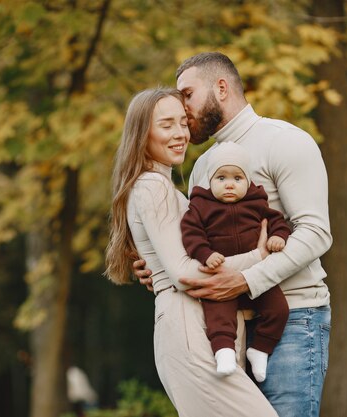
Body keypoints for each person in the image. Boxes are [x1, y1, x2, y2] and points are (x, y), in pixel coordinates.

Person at [133, 52, 333, 417]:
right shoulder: (201, 170)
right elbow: (194, 247)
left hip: (292, 320)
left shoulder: (285, 141)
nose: (183, 107)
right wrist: (157, 265)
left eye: (188, 94)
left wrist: (245, 280)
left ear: (221, 88)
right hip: (228, 328)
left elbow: (316, 233)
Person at [105, 87, 278, 416]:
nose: (180, 133)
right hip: (189, 325)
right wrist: (257, 257)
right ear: (143, 133)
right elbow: (183, 274)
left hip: (201, 325)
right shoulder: (153, 186)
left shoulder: (160, 187)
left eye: (182, 123)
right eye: (166, 124)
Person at [181, 141, 290, 383]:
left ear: (248, 181)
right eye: (221, 178)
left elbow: (278, 222)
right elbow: (190, 234)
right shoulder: (200, 206)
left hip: (255, 278)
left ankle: (260, 350)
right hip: (220, 276)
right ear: (209, 181)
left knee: (279, 310)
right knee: (219, 318)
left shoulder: (257, 203)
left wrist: (277, 237)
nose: (229, 184)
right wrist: (205, 253)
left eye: (237, 178)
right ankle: (224, 353)